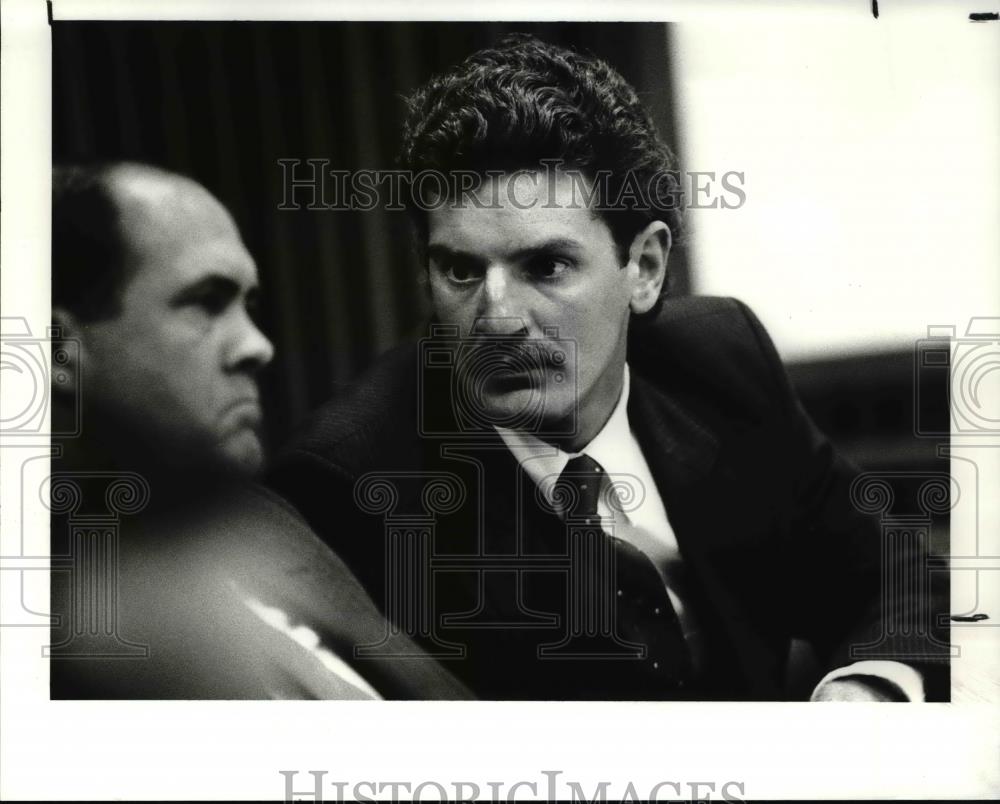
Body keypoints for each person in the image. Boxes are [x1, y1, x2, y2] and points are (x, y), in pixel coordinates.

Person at [269, 36, 950, 701]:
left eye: (546, 266)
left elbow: (892, 575)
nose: (497, 318)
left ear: (645, 268)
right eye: (460, 270)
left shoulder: (720, 361)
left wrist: (863, 695)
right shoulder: (353, 486)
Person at [49, 162, 471, 699]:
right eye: (207, 301)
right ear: (59, 348)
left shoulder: (258, 516)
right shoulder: (50, 637)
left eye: (247, 305)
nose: (257, 345)